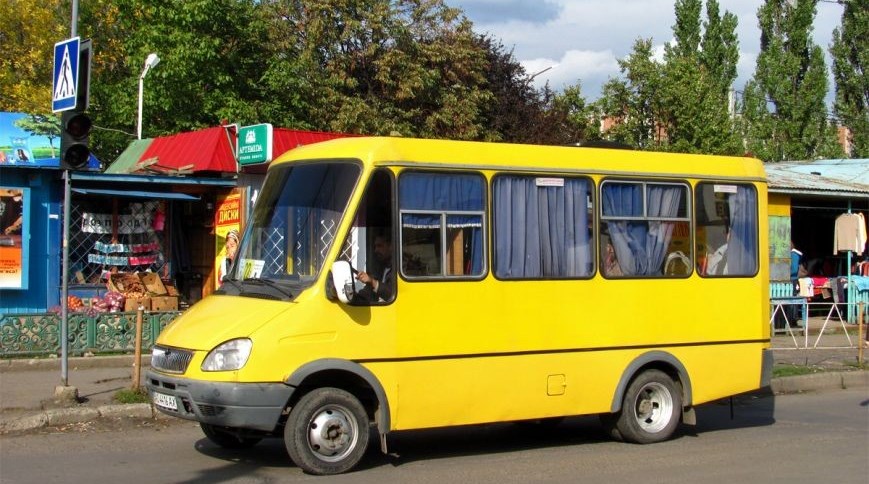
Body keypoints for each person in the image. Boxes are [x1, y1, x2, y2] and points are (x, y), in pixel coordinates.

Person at [355, 232, 394, 302]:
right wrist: (350, 297)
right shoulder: (379, 269)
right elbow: (366, 295)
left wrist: (373, 282)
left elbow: (394, 295)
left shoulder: (402, 268)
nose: (376, 250)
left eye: (379, 246)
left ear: (390, 247)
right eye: (375, 247)